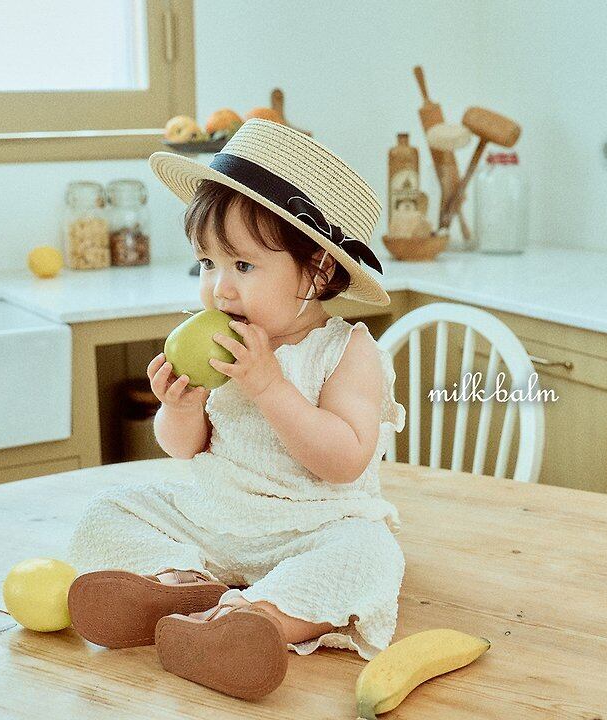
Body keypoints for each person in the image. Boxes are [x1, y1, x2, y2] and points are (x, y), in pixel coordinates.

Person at [66, 119, 406, 701]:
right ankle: (181, 584)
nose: (219, 289)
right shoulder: (224, 342)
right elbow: (185, 448)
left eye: (242, 266)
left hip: (312, 530)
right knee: (109, 508)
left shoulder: (347, 351)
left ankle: (255, 621)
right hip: (215, 519)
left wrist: (271, 386)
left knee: (371, 556)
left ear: (318, 271)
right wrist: (180, 407)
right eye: (207, 263)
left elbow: (345, 461)